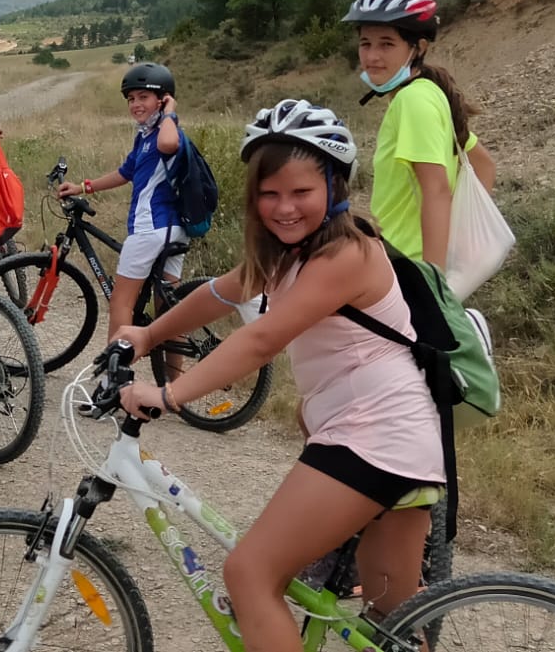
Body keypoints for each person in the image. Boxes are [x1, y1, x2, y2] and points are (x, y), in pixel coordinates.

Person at [109, 100, 444, 649]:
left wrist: (169, 394)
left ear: (335, 186)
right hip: (397, 439)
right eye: (269, 194)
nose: (284, 208)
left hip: (373, 439)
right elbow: (223, 290)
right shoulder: (296, 251)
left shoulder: (347, 252)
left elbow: (261, 339)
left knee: (250, 575)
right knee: (394, 625)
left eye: (300, 192)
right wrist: (147, 333)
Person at [346, 0, 497, 268]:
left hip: (406, 265)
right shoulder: (429, 91)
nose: (372, 56)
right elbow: (485, 164)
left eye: (387, 44)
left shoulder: (413, 102)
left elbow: (436, 190)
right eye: (365, 43)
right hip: (397, 256)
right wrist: (462, 239)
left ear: (418, 47)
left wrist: (434, 280)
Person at [55, 62, 185, 346]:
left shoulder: (166, 132)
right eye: (131, 99)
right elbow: (125, 173)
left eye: (144, 97)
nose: (136, 104)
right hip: (172, 230)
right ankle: (174, 384)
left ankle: (112, 383)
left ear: (162, 99)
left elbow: (169, 145)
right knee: (170, 314)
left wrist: (170, 113)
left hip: (151, 229)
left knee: (120, 303)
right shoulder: (145, 135)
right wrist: (82, 186)